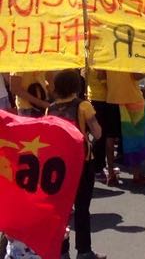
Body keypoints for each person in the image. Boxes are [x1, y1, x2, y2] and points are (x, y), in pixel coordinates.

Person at [47, 68, 106, 259]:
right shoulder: (84, 106)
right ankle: (84, 251)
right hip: (82, 162)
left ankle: (62, 251)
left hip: (60, 164)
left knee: (62, 209)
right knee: (82, 208)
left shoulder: (51, 108)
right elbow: (97, 133)